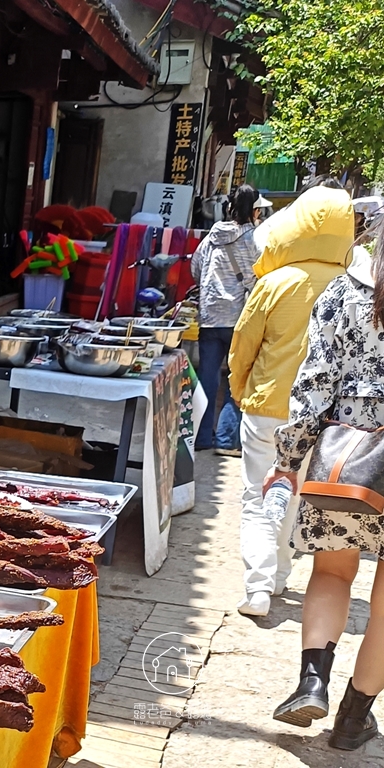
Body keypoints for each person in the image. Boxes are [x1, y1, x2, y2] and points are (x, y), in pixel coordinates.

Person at [268, 218, 384, 750]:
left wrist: (289, 458)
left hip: (349, 456)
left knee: (333, 573)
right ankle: (353, 720)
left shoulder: (346, 288)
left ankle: (311, 681)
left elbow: (315, 382)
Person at [228, 184, 354, 617]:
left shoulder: (275, 281)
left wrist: (240, 389)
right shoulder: (352, 286)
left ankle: (259, 586)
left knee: (257, 495)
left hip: (267, 408)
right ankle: (279, 577)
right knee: (294, 496)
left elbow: (243, 345)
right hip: (322, 419)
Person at [190, 184, 260, 451]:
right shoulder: (255, 240)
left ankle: (201, 436)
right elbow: (260, 278)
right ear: (254, 210)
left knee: (207, 376)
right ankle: (227, 440)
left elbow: (195, 268)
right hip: (240, 318)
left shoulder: (211, 237)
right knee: (238, 377)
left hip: (209, 316)